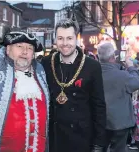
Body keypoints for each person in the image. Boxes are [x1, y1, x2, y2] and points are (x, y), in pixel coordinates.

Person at [41, 19, 106, 152]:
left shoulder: (92, 66)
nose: (65, 43)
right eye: (60, 38)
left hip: (81, 139)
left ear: (76, 38)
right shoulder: (46, 63)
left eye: (69, 38)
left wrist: (99, 143)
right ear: (55, 40)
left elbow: (99, 106)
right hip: (54, 139)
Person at [97, 42, 139, 152]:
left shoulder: (93, 74)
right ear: (113, 57)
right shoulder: (122, 75)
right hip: (120, 123)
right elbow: (137, 82)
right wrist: (131, 67)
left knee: (99, 148)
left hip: (100, 121)